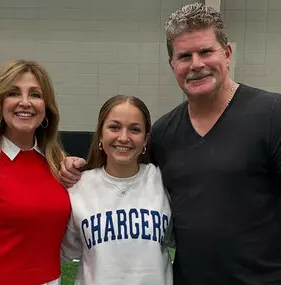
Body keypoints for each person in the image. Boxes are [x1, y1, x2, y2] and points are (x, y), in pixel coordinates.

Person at [60, 3, 281, 285]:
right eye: (184, 56)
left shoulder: (273, 114)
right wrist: (77, 166)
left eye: (205, 51)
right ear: (172, 65)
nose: (196, 64)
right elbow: (123, 175)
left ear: (227, 54)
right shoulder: (164, 133)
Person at [60, 95, 173, 285]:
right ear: (100, 135)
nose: (123, 137)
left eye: (135, 129)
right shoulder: (77, 186)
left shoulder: (163, 180)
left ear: (145, 140)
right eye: (114, 127)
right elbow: (65, 251)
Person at [0, 59, 71, 285]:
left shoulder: (58, 164)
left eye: (36, 95)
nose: (25, 102)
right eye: (14, 93)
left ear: (46, 107)